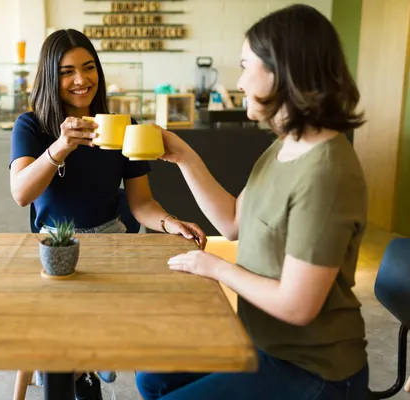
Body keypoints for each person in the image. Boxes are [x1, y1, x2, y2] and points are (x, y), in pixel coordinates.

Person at [136, 4, 369, 400]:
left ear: (282, 71)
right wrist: (184, 157)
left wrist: (217, 268)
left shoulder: (327, 172)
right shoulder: (284, 146)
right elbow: (232, 221)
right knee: (152, 377)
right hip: (264, 341)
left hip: (314, 368)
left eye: (246, 66)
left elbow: (297, 307)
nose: (240, 82)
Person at [9, 28, 206, 400]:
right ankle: (82, 370)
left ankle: (88, 368)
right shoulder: (32, 125)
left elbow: (141, 204)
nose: (81, 80)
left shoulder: (120, 128)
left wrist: (169, 223)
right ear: (51, 76)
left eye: (88, 68)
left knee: (99, 340)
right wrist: (61, 146)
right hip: (57, 245)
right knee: (62, 346)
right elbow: (21, 193)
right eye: (67, 71)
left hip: (112, 241)